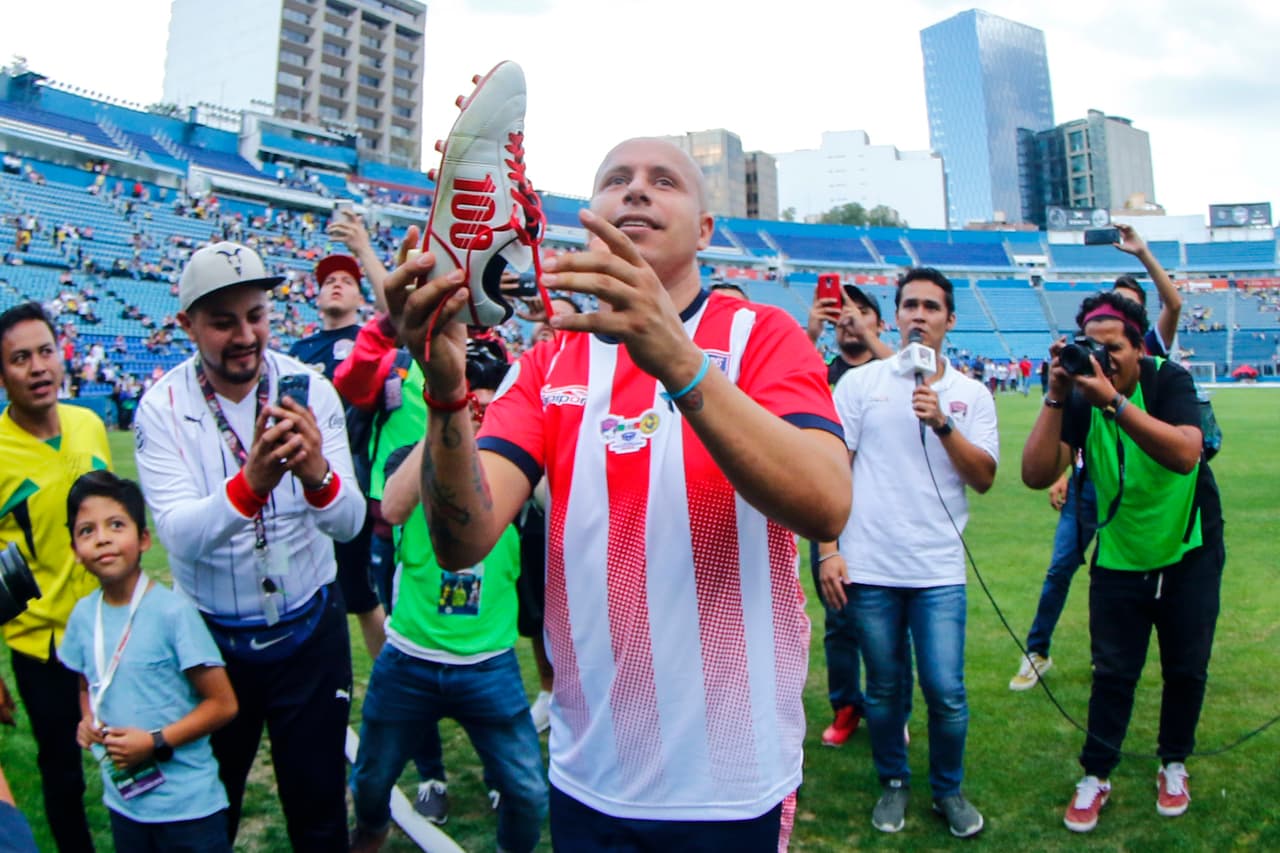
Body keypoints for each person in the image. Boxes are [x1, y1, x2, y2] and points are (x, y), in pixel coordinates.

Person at [383, 137, 849, 849]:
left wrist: (679, 363)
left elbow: (826, 502)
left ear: (704, 230)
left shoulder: (762, 335)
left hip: (730, 778)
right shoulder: (548, 362)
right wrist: (446, 395)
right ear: (591, 213)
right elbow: (461, 539)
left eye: (664, 180)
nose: (636, 190)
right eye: (615, 179)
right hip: (590, 771)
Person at [133, 241, 365, 850]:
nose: (244, 335)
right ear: (186, 324)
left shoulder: (310, 388)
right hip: (211, 644)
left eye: (255, 316)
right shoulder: (161, 408)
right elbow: (180, 538)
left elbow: (349, 524)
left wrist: (317, 473)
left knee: (317, 811)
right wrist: (253, 482)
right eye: (222, 321)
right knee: (212, 813)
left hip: (309, 632)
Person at [1021, 292, 1222, 833]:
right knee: (1113, 673)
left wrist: (1112, 401)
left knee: (1185, 667)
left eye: (1114, 348)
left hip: (1188, 549)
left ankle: (1173, 762)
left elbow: (1185, 455)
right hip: (1120, 553)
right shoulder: (1082, 396)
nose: (1103, 359)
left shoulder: (1167, 380)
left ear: (1140, 347)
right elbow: (1037, 475)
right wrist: (1056, 396)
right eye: (1095, 347)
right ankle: (1096, 773)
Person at [348, 339, 547, 853]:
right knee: (371, 780)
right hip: (410, 656)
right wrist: (446, 410)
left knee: (527, 791)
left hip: (488, 662)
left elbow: (553, 501)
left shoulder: (518, 470)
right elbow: (391, 507)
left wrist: (503, 427)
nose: (475, 403)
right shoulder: (410, 455)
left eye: (484, 393)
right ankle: (372, 828)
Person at [822, 268, 998, 838]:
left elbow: (986, 478)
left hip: (938, 569)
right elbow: (833, 472)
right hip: (870, 566)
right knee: (885, 688)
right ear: (895, 316)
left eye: (931, 307)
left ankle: (948, 789)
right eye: (910, 306)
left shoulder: (972, 394)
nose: (919, 315)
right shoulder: (861, 385)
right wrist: (829, 549)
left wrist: (943, 424)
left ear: (950, 319)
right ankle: (893, 783)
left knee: (946, 691)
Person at [1009, 223, 1184, 690]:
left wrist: (1144, 253)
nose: (1107, 354)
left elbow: (1175, 304)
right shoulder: (1093, 365)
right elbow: (1062, 445)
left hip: (1141, 491)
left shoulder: (1149, 357)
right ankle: (1038, 648)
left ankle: (1108, 655)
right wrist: (1065, 472)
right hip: (1090, 481)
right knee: (1062, 566)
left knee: (1125, 579)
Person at [58, 471, 238, 852]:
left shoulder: (174, 614)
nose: (102, 537)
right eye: (86, 531)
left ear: (143, 539)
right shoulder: (82, 616)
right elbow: (86, 685)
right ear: (75, 550)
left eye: (116, 525)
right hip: (125, 805)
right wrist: (88, 720)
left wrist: (155, 741)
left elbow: (223, 704)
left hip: (189, 809)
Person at [0, 301, 110, 853]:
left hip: (110, 630)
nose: (38, 367)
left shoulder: (89, 424)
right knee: (62, 771)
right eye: (20, 358)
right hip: (42, 646)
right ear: (3, 374)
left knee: (137, 751)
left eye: (45, 351)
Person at [804, 283, 896, 746]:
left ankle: (890, 707)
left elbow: (913, 376)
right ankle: (846, 706)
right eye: (843, 312)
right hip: (828, 512)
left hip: (885, 517)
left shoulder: (891, 372)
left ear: (879, 325)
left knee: (889, 622)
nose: (850, 318)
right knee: (839, 621)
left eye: (862, 311)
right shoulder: (819, 373)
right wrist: (810, 331)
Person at [289, 236, 390, 658]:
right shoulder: (296, 352)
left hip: (352, 478)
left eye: (346, 281)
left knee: (363, 596)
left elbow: (395, 313)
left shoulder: (372, 339)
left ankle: (386, 682)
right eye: (328, 280)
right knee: (310, 592)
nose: (335, 285)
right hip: (299, 485)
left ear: (359, 295)